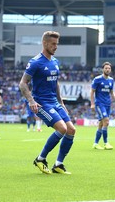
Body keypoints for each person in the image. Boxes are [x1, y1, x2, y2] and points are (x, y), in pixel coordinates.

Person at [19, 31, 75, 174]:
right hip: (41, 103)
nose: (56, 47)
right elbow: (23, 83)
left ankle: (58, 164)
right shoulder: (36, 62)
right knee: (62, 128)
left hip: (54, 102)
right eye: (53, 44)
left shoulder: (55, 62)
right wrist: (31, 100)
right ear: (45, 43)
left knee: (71, 130)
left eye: (57, 44)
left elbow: (55, 83)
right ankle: (40, 159)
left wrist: (61, 102)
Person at [91, 62, 115, 150]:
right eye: (106, 68)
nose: (107, 70)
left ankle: (95, 143)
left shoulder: (111, 80)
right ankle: (106, 143)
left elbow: (111, 92)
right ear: (103, 69)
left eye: (109, 68)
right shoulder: (97, 79)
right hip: (100, 104)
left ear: (110, 70)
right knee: (106, 121)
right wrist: (92, 104)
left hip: (108, 104)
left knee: (101, 124)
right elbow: (92, 92)